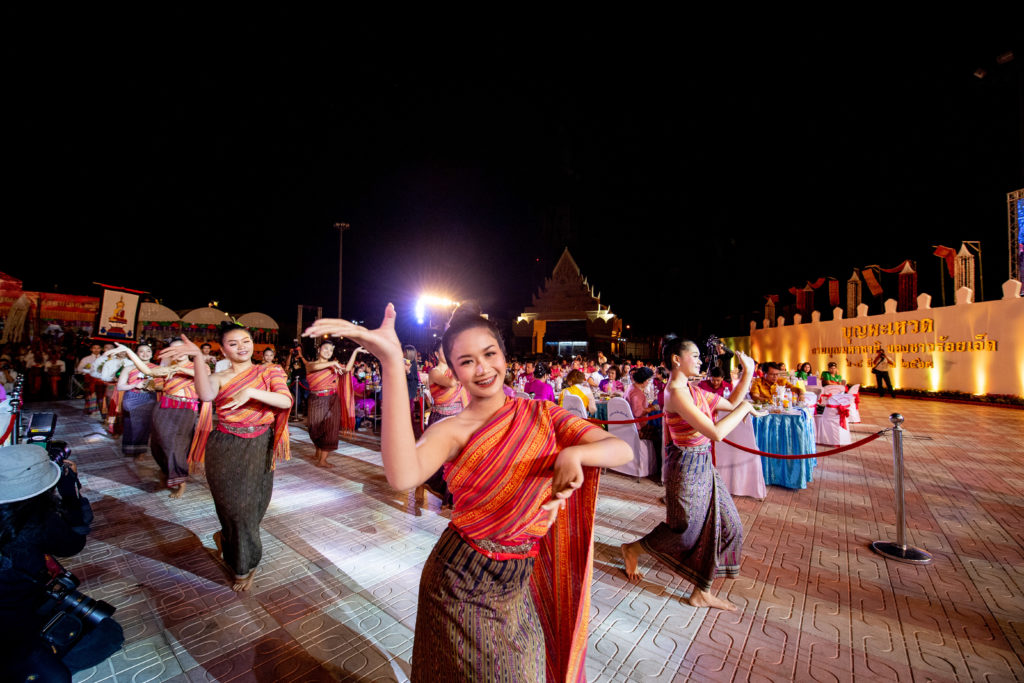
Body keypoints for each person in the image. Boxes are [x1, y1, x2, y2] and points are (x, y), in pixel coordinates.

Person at [303, 303, 631, 681]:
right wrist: (392, 364)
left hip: (518, 578)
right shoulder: (452, 430)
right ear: (454, 372)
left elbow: (620, 449)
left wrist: (576, 454)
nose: (483, 368)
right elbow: (402, 475)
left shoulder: (543, 414)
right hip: (461, 578)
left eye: (489, 354)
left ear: (504, 355)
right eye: (467, 361)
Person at [621, 336, 761, 611]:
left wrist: (748, 373)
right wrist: (746, 407)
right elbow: (716, 432)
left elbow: (731, 403)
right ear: (676, 359)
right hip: (685, 465)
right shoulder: (675, 393)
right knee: (684, 532)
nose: (700, 360)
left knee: (731, 527)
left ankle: (701, 591)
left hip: (704, 464)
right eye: (694, 356)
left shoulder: (693, 390)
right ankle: (632, 549)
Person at [160, 323, 292, 591]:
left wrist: (251, 392)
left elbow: (285, 400)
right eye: (233, 343)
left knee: (254, 507)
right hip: (224, 445)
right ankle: (244, 565)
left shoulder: (270, 371)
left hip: (260, 445)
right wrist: (198, 358)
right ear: (223, 350)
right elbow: (205, 394)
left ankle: (226, 537)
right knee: (234, 508)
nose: (241, 347)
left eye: (245, 341)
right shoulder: (219, 377)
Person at [0, 445, 124, 681]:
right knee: (108, 634)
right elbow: (74, 544)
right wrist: (70, 492)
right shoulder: (34, 522)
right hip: (16, 627)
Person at [117, 341, 203, 498]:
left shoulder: (198, 366)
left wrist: (179, 369)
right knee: (157, 445)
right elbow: (147, 370)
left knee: (175, 446)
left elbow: (204, 376)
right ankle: (165, 474)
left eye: (182, 349)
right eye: (174, 349)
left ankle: (180, 481)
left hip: (184, 411)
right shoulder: (168, 368)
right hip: (163, 408)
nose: (178, 352)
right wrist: (130, 352)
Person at [421, 342, 470, 505]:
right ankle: (427, 483)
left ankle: (451, 499)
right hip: (440, 420)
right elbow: (451, 383)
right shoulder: (434, 372)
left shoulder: (453, 371)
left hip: (456, 419)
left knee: (456, 461)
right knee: (439, 460)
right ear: (436, 354)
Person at [304, 341, 363, 468]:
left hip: (332, 399)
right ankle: (318, 450)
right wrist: (333, 363)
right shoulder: (311, 364)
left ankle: (322, 460)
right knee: (314, 428)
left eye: (331, 350)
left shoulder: (333, 366)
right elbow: (313, 367)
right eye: (326, 348)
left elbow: (347, 369)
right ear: (319, 349)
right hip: (316, 399)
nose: (328, 352)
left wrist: (355, 352)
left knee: (330, 428)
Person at [116, 343, 159, 459]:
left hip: (149, 398)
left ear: (152, 354)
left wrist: (154, 386)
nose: (145, 354)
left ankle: (141, 451)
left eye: (148, 351)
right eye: (141, 351)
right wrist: (134, 385)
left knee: (145, 424)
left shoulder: (157, 369)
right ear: (135, 354)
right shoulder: (129, 368)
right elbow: (120, 386)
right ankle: (129, 448)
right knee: (130, 423)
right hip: (132, 397)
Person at [75, 343, 105, 415]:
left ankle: (101, 410)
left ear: (101, 349)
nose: (96, 350)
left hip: (101, 379)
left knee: (101, 395)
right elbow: (79, 369)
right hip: (89, 379)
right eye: (94, 348)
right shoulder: (86, 359)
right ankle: (90, 409)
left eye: (98, 348)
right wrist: (89, 371)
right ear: (91, 349)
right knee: (90, 394)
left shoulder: (104, 358)